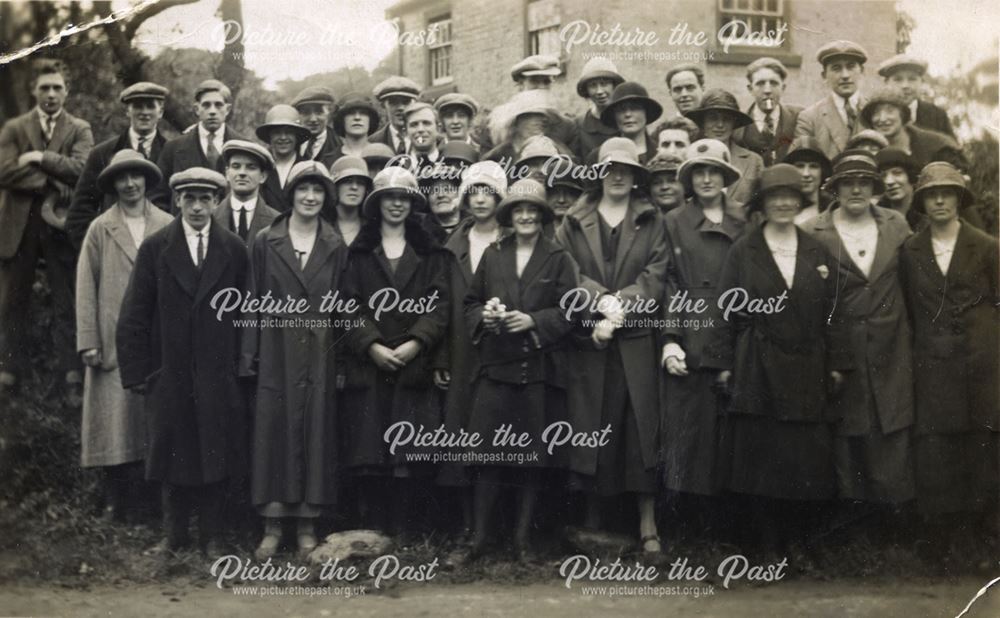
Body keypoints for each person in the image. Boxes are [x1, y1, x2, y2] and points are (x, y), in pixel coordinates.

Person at [704, 164, 851, 551]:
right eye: (775, 197)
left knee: (802, 459)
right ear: (763, 204)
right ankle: (765, 545)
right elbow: (724, 309)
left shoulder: (816, 249)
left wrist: (836, 362)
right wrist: (722, 364)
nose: (784, 203)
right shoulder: (744, 250)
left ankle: (796, 545)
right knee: (762, 459)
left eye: (791, 197)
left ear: (800, 202)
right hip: (757, 365)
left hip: (805, 367)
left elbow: (835, 310)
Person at [116, 167, 248, 557]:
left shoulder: (234, 249)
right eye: (189, 198)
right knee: (170, 450)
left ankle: (213, 535)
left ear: (216, 202)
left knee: (215, 452)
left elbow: (246, 314)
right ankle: (174, 534)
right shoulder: (157, 248)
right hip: (168, 370)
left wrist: (241, 367)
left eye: (205, 199)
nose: (197, 207)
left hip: (217, 371)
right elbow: (134, 314)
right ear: (177, 201)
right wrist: (139, 372)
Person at [555, 137, 668, 561]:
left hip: (636, 338)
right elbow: (566, 271)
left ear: (636, 175)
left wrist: (621, 309)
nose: (617, 175)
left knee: (639, 429)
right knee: (592, 423)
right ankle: (592, 523)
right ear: (597, 172)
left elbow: (658, 274)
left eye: (626, 169)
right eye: (610, 167)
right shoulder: (573, 220)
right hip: (591, 339)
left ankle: (647, 525)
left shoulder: (651, 219)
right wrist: (599, 303)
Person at [461, 178, 576, 563]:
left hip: (536, 370)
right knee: (488, 457)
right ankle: (478, 539)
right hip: (496, 369)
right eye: (518, 211)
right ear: (509, 216)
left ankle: (522, 541)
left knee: (530, 460)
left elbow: (570, 311)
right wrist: (487, 318)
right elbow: (470, 302)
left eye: (532, 211)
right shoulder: (494, 253)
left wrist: (534, 321)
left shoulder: (558, 257)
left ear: (542, 216)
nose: (525, 216)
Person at [800, 151, 916, 525]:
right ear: (834, 188)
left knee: (891, 421)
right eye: (847, 183)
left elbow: (915, 281)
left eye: (863, 183)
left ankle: (892, 520)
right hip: (842, 344)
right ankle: (851, 521)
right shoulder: (813, 230)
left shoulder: (896, 225)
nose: (855, 190)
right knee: (848, 425)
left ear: (874, 188)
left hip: (891, 342)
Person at [240, 161, 347, 560]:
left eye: (318, 190)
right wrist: (249, 354)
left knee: (314, 435)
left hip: (319, 355)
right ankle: (271, 526)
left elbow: (342, 310)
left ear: (326, 197)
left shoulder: (335, 245)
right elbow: (250, 300)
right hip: (276, 351)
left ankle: (306, 524)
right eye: (303, 188)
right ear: (291, 193)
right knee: (274, 433)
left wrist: (340, 363)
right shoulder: (266, 241)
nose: (310, 197)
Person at [338, 167, 451, 536]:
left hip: (412, 363)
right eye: (389, 198)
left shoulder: (430, 251)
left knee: (408, 449)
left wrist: (416, 342)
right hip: (370, 365)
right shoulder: (357, 253)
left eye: (404, 198)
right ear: (377, 204)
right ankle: (372, 528)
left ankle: (405, 530)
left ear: (413, 204)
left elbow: (440, 304)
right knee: (370, 448)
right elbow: (346, 306)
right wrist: (370, 344)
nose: (397, 204)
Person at [898, 162, 998, 539]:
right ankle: (945, 539)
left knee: (983, 441)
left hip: (981, 362)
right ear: (922, 202)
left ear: (959, 199)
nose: (939, 200)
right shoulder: (910, 251)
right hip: (935, 363)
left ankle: (986, 535)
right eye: (931, 195)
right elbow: (909, 307)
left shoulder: (987, 247)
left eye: (947, 193)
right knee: (939, 446)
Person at [75, 149, 172, 522]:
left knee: (151, 422)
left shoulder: (166, 223)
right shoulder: (101, 227)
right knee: (114, 422)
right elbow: (86, 283)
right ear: (113, 184)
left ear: (147, 180)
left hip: (155, 339)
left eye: (137, 176)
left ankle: (152, 507)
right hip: (112, 337)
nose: (130, 184)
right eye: (122, 178)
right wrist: (89, 339)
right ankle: (118, 502)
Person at [660, 141, 746, 530]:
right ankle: (689, 529)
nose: (707, 178)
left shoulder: (745, 221)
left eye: (714, 171)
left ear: (726, 178)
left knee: (730, 431)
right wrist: (671, 338)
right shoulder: (674, 221)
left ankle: (728, 526)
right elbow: (670, 283)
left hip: (735, 329)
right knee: (689, 432)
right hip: (692, 333)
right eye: (699, 172)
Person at [0, 61, 94, 400]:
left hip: (59, 225)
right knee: (13, 300)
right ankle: (10, 374)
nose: (51, 94)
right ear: (33, 91)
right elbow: (4, 171)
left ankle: (71, 376)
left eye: (57, 87)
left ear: (66, 91)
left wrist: (38, 156)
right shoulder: (15, 128)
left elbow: (83, 170)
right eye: (45, 88)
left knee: (65, 302)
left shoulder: (80, 128)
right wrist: (54, 179)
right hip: (19, 226)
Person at [434, 161, 508, 538]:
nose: (480, 199)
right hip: (461, 350)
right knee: (460, 433)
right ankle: (467, 525)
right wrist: (443, 358)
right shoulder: (453, 245)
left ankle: (494, 525)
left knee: (497, 436)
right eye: (474, 192)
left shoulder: (511, 238)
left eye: (488, 192)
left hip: (502, 348)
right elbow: (443, 306)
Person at [67, 81, 168, 249]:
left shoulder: (172, 152)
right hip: (116, 249)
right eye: (137, 106)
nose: (144, 113)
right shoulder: (102, 153)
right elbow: (79, 212)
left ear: (161, 112)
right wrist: (98, 249)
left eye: (150, 106)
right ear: (127, 111)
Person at [151, 79, 247, 208]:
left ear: (227, 109)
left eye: (218, 105)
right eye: (206, 105)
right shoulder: (173, 148)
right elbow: (158, 197)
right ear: (197, 109)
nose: (212, 111)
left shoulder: (244, 147)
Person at [684, 89, 762, 206]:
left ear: (734, 124)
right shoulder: (689, 157)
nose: (720, 125)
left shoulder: (753, 161)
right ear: (703, 123)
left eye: (726, 119)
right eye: (713, 118)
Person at [859, 87, 965, 171]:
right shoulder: (867, 150)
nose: (882, 119)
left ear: (902, 115)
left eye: (890, 111)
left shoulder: (936, 145)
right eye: (876, 113)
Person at [795, 41, 869, 160]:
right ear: (824, 75)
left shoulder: (875, 112)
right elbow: (802, 162)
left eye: (850, 67)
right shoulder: (810, 118)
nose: (845, 75)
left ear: (862, 71)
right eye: (836, 68)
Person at [734, 57, 802, 166]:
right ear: (750, 89)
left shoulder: (799, 117)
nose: (767, 90)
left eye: (774, 83)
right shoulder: (738, 125)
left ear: (783, 88)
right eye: (760, 84)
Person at [483, 90, 573, 168]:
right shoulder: (497, 156)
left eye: (542, 115)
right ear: (517, 120)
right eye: (532, 115)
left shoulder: (556, 148)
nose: (541, 120)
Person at [214, 140, 279, 244]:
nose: (242, 173)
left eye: (251, 167)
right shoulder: (210, 217)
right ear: (227, 173)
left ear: (263, 176)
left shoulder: (277, 222)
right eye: (236, 166)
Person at [877, 54, 956, 138]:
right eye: (898, 79)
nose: (905, 85)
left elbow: (952, 149)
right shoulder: (877, 116)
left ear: (921, 82)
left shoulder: (937, 116)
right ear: (886, 84)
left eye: (912, 79)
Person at [588, 82, 662, 165]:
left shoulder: (660, 152)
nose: (628, 114)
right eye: (621, 109)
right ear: (614, 116)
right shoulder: (599, 155)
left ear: (646, 113)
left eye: (635, 108)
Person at [255, 104, 311, 213]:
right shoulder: (260, 167)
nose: (283, 137)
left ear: (296, 136)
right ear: (269, 135)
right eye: (277, 132)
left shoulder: (307, 168)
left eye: (289, 132)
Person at [571, 57, 625, 159]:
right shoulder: (579, 125)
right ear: (586, 90)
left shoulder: (627, 120)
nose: (599, 91)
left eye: (604, 84)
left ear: (614, 85)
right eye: (592, 85)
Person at [784, 137, 834, 224]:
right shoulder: (778, 211)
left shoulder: (833, 210)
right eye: (800, 166)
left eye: (813, 166)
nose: (806, 174)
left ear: (822, 172)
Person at [291, 86, 343, 167]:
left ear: (329, 114)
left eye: (319, 112)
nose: (313, 119)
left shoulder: (340, 144)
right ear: (299, 115)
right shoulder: (290, 143)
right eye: (306, 113)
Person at [875, 147, 924, 231]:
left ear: (910, 175)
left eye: (897, 173)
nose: (889, 181)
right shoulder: (875, 217)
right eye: (883, 176)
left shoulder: (926, 211)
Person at [326, 155, 371, 246]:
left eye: (360, 183)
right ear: (335, 187)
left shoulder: (372, 228)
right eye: (347, 181)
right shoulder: (322, 225)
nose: (354, 187)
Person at [370, 76, 421, 155]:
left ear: (415, 104)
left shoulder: (433, 141)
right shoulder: (372, 143)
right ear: (383, 105)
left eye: (406, 102)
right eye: (393, 102)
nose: (400, 108)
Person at [329, 93, 381, 162]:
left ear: (370, 119)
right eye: (351, 113)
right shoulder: (329, 160)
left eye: (363, 113)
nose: (357, 118)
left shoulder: (382, 155)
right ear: (342, 120)